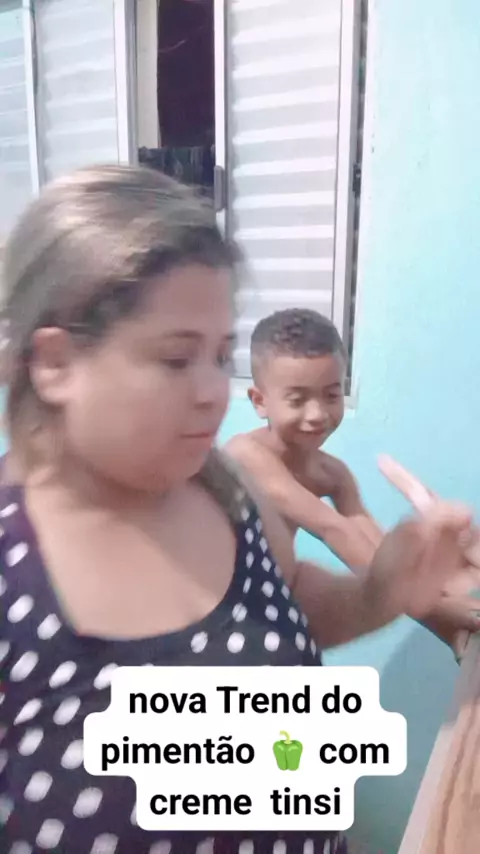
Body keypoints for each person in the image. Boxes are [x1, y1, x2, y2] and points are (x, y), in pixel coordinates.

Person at [0, 165, 473, 854]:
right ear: (56, 364)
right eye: (175, 359)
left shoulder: (224, 488)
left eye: (220, 356)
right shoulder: (13, 572)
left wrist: (384, 592)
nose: (212, 392)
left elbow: (284, 608)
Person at [224, 308, 480, 658]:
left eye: (331, 395)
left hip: (272, 615)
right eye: (297, 400)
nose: (317, 414)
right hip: (214, 622)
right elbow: (335, 530)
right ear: (259, 401)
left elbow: (373, 549)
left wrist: (443, 603)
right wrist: (452, 609)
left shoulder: (333, 474)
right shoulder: (245, 455)